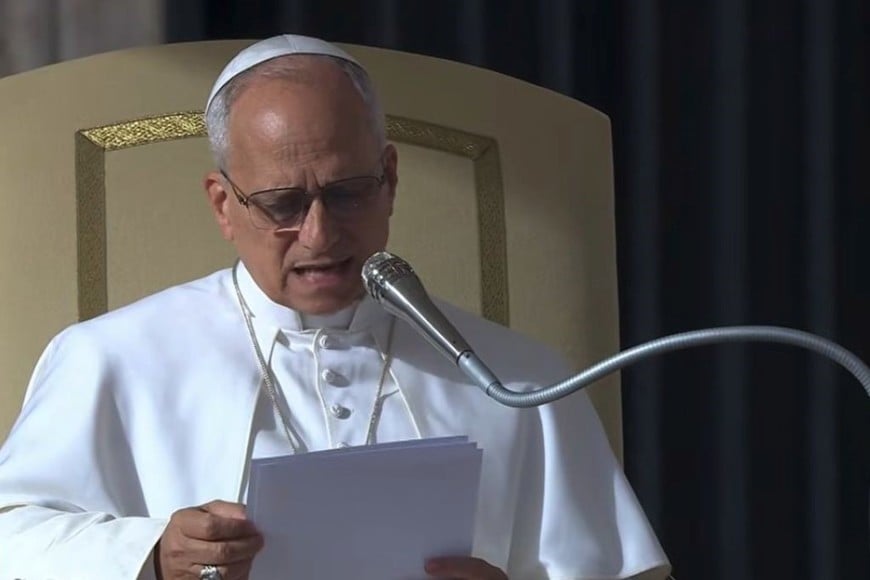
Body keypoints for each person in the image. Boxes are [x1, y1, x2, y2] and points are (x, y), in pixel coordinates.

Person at [0, 35, 671, 580]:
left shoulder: (518, 377)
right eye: (282, 205)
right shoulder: (111, 359)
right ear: (222, 204)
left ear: (390, 181)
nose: (319, 235)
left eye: (347, 193)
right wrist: (150, 558)